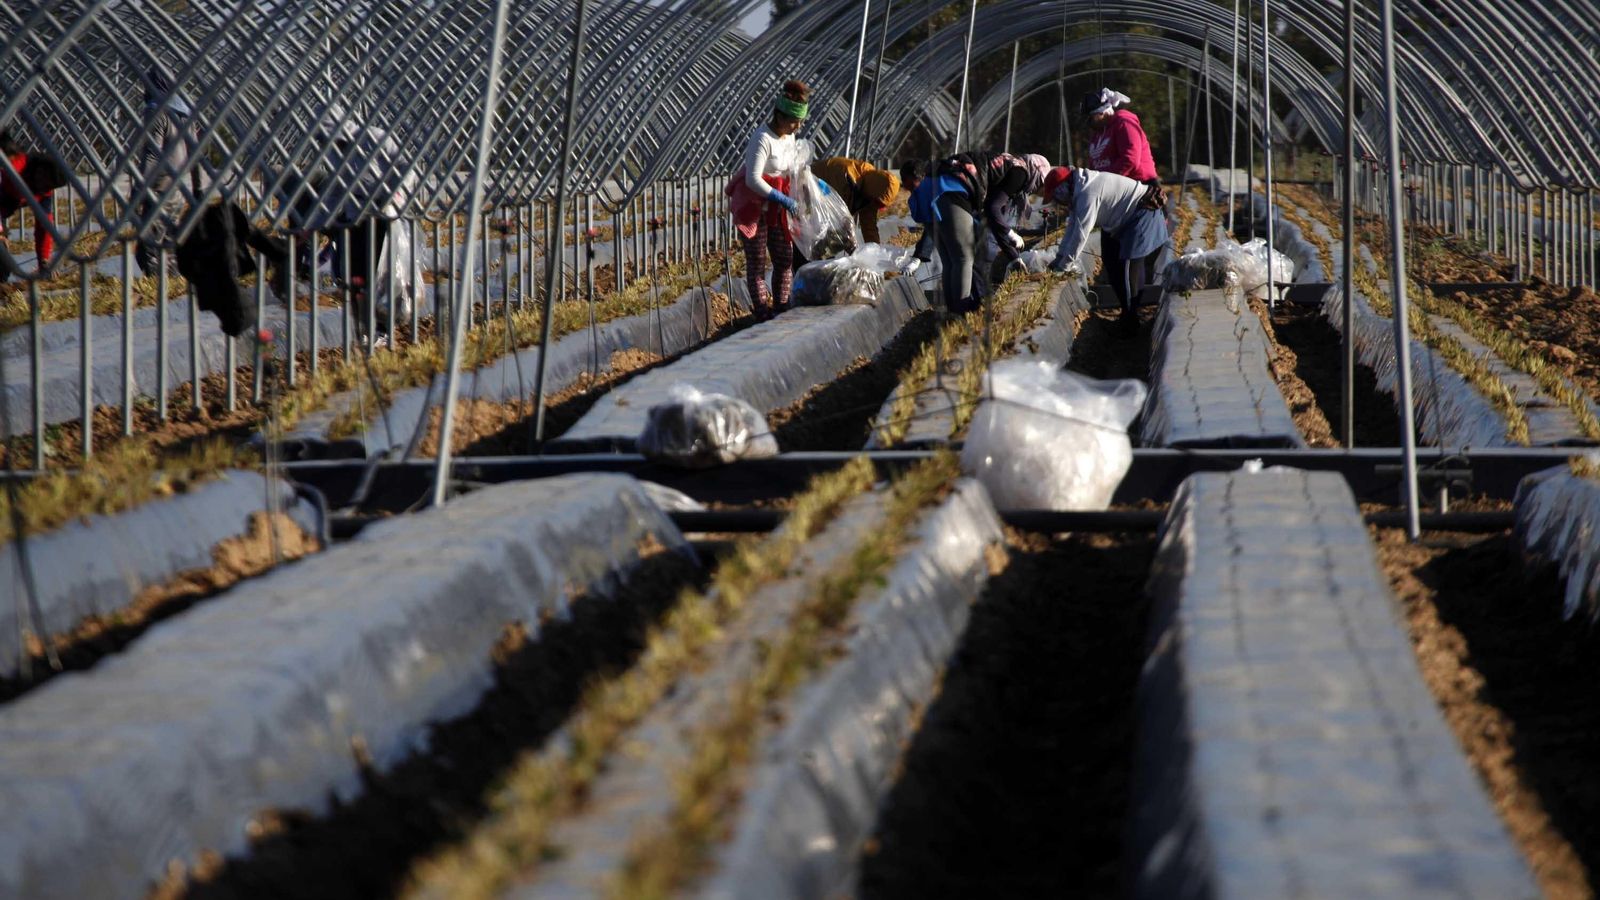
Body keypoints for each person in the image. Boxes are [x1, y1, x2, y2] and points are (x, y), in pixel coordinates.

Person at [907, 151, 1051, 313]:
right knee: (963, 258)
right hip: (950, 190)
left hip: (929, 189)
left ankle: (952, 311)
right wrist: (1010, 242)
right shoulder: (1021, 172)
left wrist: (1009, 246)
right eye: (1040, 183)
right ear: (1037, 172)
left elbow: (991, 214)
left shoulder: (1006, 163)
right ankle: (961, 313)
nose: (1037, 188)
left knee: (950, 260)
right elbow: (993, 208)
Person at [1042, 165, 1169, 334]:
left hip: (1142, 214)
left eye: (1056, 195)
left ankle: (1131, 323)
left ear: (1064, 186)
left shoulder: (1088, 192)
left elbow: (1080, 234)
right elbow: (1071, 229)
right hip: (1124, 221)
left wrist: (1063, 267)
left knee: (1128, 269)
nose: (1058, 201)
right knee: (1111, 263)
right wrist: (1058, 259)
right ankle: (1127, 315)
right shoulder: (1078, 192)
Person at [727, 80, 810, 320]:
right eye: (794, 121)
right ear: (780, 116)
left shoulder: (788, 138)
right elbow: (753, 179)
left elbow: (790, 167)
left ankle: (781, 307)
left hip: (777, 207)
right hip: (754, 207)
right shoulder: (762, 138)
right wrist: (779, 197)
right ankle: (762, 313)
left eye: (800, 122)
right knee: (757, 261)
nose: (797, 127)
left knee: (785, 257)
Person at [135, 67, 201, 277]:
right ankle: (171, 279)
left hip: (160, 186)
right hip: (180, 187)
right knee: (170, 240)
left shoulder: (156, 111)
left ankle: (156, 286)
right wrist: (197, 188)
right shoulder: (185, 113)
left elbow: (153, 155)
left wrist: (140, 187)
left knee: (149, 244)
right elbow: (195, 154)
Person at [0, 129, 66, 283]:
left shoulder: (44, 189)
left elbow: (44, 224)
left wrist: (44, 260)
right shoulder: (11, 169)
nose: (44, 189)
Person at [810, 156, 900, 244]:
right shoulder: (846, 177)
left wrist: (874, 250)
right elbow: (834, 214)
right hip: (807, 191)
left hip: (820, 207)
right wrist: (848, 238)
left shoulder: (870, 190)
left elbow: (869, 226)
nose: (875, 206)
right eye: (877, 203)